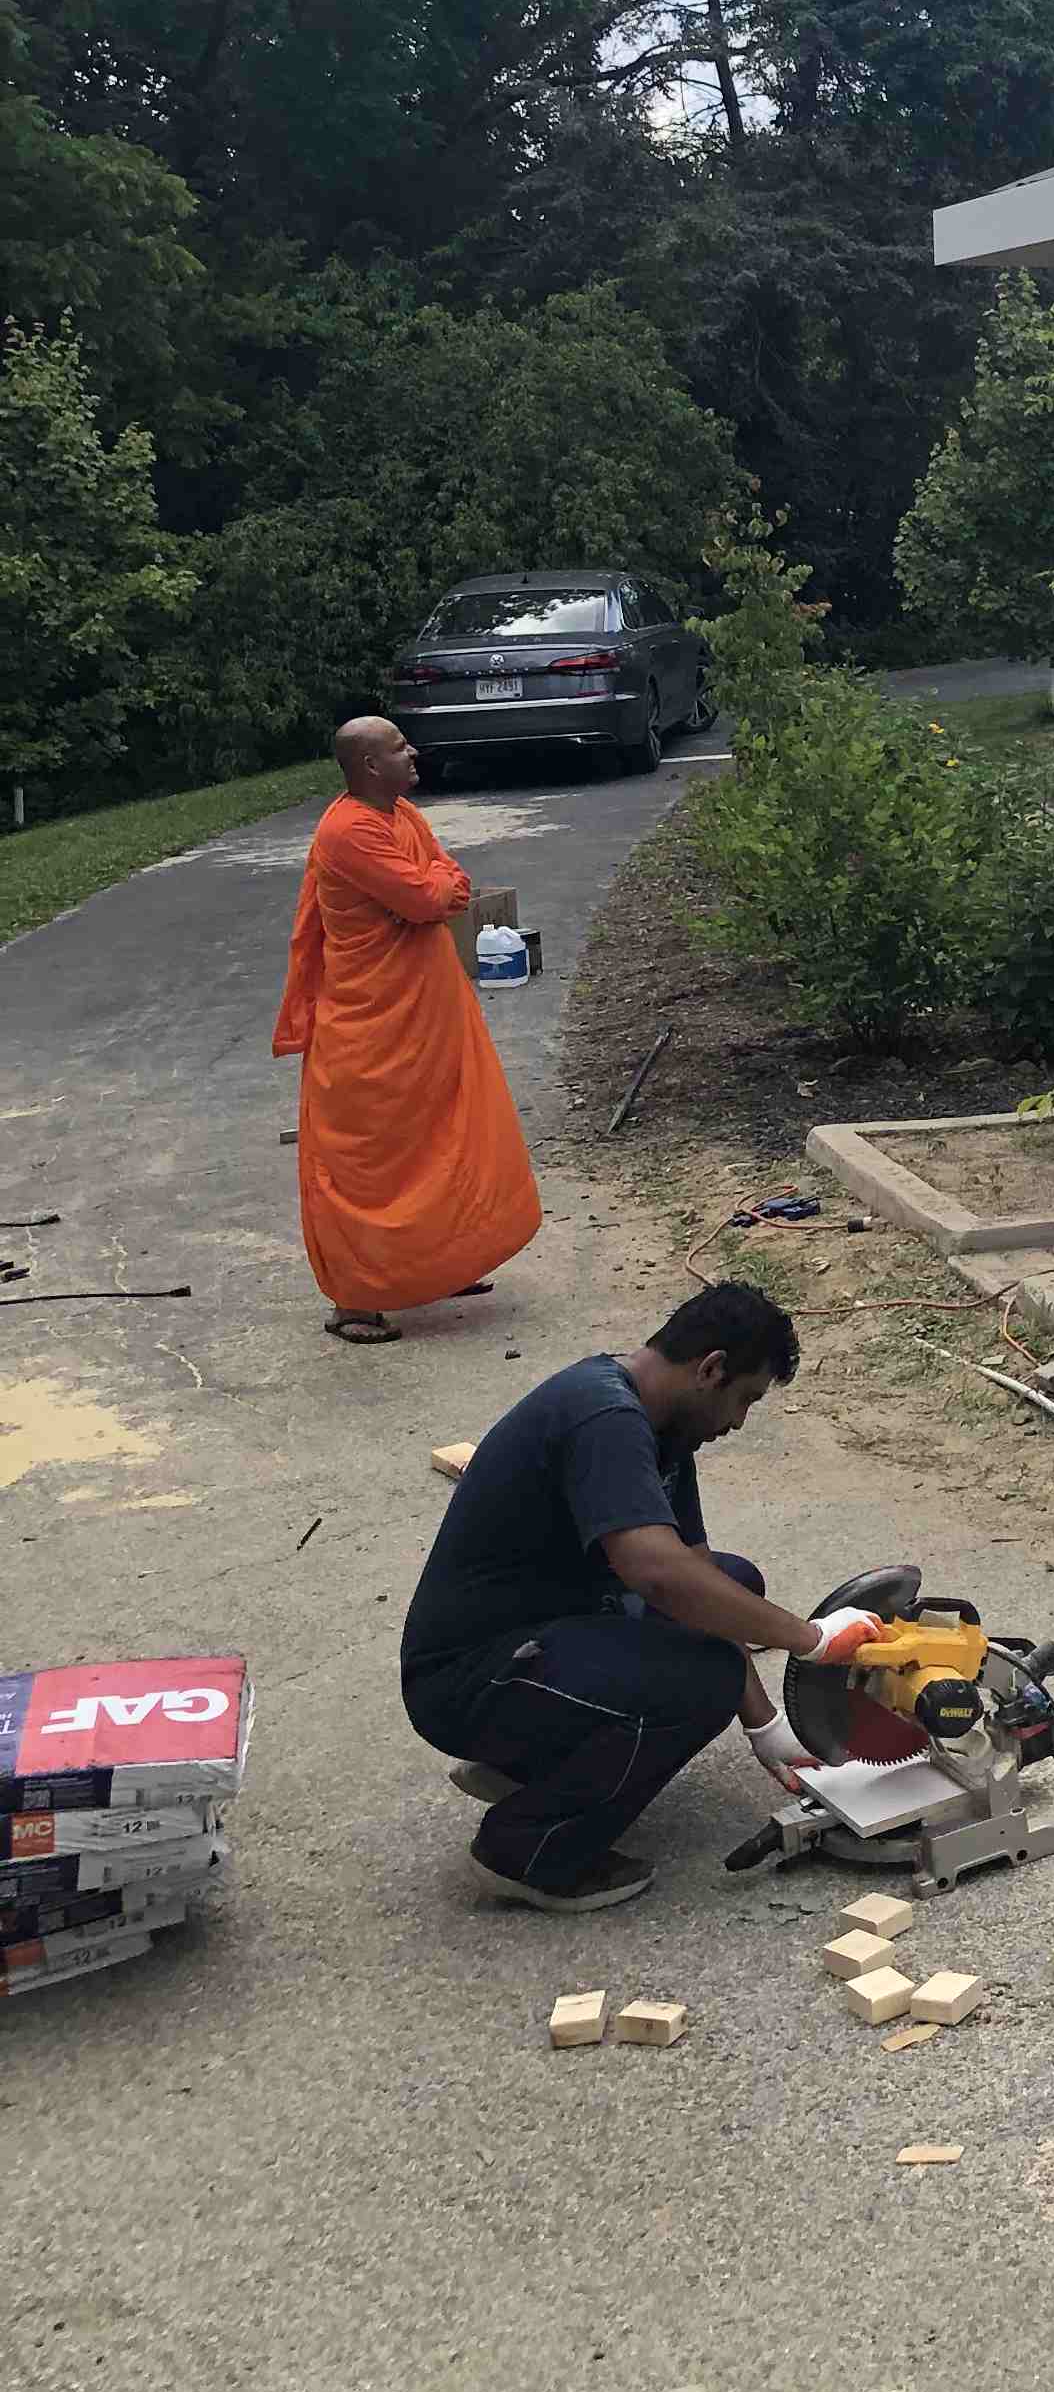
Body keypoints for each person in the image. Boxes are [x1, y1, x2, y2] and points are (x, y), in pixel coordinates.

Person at [400, 1282, 887, 1912]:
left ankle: (532, 1767)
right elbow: (656, 1573)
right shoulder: (602, 1416)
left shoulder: (663, 1429)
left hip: (537, 1635)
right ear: (711, 1369)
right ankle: (527, 1850)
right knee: (702, 1680)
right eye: (745, 1398)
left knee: (732, 1584)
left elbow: (697, 1572)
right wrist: (813, 1639)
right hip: (466, 1680)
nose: (739, 1421)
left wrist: (767, 1727)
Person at [270, 715, 542, 1346]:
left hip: (424, 1014)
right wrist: (439, 888)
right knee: (371, 1163)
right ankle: (355, 1302)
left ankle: (438, 1265)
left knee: (441, 1137)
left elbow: (450, 881)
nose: (413, 752)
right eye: (399, 748)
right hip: (370, 1025)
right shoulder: (349, 830)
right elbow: (430, 898)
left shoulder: (402, 815)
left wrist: (439, 887)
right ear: (370, 765)